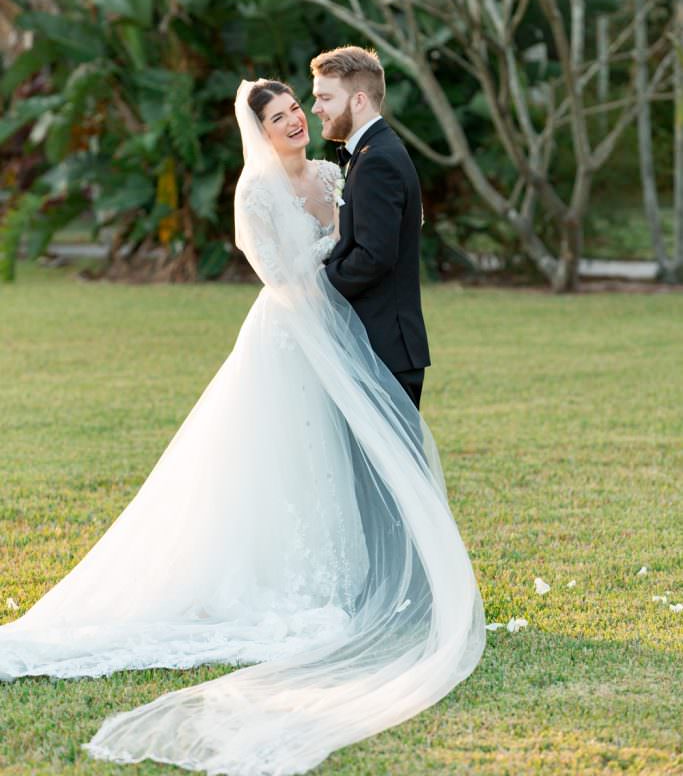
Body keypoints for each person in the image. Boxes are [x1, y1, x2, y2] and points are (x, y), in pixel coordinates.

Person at [0, 78, 485, 776]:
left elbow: (369, 236)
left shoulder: (330, 172)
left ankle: (350, 580)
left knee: (333, 460)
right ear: (257, 130)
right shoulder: (253, 194)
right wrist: (329, 262)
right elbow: (280, 274)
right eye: (281, 117)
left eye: (298, 111)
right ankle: (291, 586)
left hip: (343, 338)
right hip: (290, 337)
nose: (295, 122)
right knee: (284, 459)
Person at [311, 46, 429, 410]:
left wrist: (318, 285)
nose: (316, 108)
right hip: (375, 346)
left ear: (358, 100)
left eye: (325, 98)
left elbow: (374, 256)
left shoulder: (377, 160)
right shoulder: (369, 152)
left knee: (390, 468)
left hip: (383, 350)